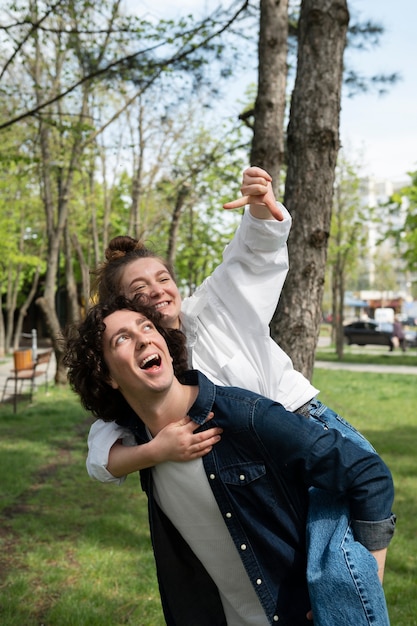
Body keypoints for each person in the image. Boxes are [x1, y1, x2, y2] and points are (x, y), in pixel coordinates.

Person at [85, 167, 393, 625]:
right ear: (121, 310)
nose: (158, 290)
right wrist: (155, 450)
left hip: (310, 432)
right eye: (139, 290)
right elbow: (100, 451)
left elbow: (249, 257)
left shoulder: (212, 309)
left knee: (341, 586)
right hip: (267, 475)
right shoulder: (144, 374)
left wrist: (258, 208)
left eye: (163, 277)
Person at [64, 297, 396, 626]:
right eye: (122, 338)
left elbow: (366, 473)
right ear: (107, 375)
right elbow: (98, 461)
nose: (142, 339)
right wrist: (153, 452)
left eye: (147, 327)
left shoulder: (244, 416)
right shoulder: (140, 445)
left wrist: (362, 583)